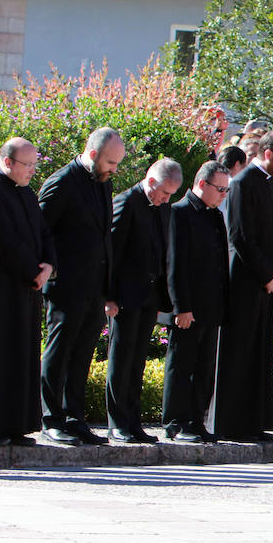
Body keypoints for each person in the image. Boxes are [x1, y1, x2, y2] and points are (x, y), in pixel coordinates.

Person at [38, 126, 126, 445]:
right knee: (60, 352)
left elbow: (104, 236)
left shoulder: (102, 182)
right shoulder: (61, 183)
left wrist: (107, 290)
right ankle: (51, 418)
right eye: (111, 163)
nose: (114, 170)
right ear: (93, 155)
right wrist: (53, 270)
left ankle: (74, 417)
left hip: (93, 287)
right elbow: (41, 231)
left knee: (82, 355)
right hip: (66, 286)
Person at [212, 130, 273, 442]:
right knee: (240, 350)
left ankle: (253, 422)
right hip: (246, 280)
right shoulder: (243, 183)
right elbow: (240, 236)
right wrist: (267, 274)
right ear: (268, 153)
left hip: (267, 281)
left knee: (260, 352)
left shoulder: (272, 184)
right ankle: (232, 423)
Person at [0, 139, 55, 446]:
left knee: (21, 354)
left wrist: (48, 264)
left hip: (26, 286)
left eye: (35, 165)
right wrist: (33, 271)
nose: (32, 171)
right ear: (7, 162)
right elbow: (2, 240)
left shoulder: (25, 194)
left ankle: (16, 424)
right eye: (27, 165)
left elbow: (44, 232)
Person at [106, 158, 183, 442]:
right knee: (122, 358)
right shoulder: (126, 203)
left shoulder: (162, 208)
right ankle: (118, 422)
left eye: (170, 196)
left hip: (150, 295)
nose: (165, 200)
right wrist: (109, 296)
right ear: (151, 181)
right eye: (163, 193)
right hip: (126, 295)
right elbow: (112, 252)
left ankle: (134, 421)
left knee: (138, 360)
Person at [163, 161, 231, 443]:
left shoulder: (214, 215)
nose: (223, 195)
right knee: (182, 364)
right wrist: (181, 306)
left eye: (226, 190)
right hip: (189, 306)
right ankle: (177, 423)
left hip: (211, 304)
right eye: (220, 189)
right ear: (202, 184)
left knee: (204, 367)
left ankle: (197, 419)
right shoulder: (179, 213)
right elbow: (175, 264)